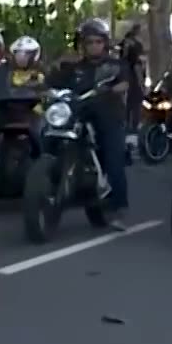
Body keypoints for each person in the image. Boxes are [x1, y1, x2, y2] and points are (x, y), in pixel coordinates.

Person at [50, 19, 131, 219]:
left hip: (108, 114)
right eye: (89, 42)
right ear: (82, 45)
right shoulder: (74, 68)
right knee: (50, 135)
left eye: (98, 42)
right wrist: (41, 84)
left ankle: (118, 203)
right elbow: (53, 82)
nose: (94, 46)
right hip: (79, 112)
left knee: (113, 157)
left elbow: (125, 83)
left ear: (105, 43)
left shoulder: (115, 65)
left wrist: (112, 89)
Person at [119, 22, 147, 119]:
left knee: (133, 99)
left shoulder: (134, 42)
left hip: (132, 70)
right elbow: (127, 57)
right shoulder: (132, 43)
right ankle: (131, 121)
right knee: (134, 98)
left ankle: (131, 120)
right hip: (132, 71)